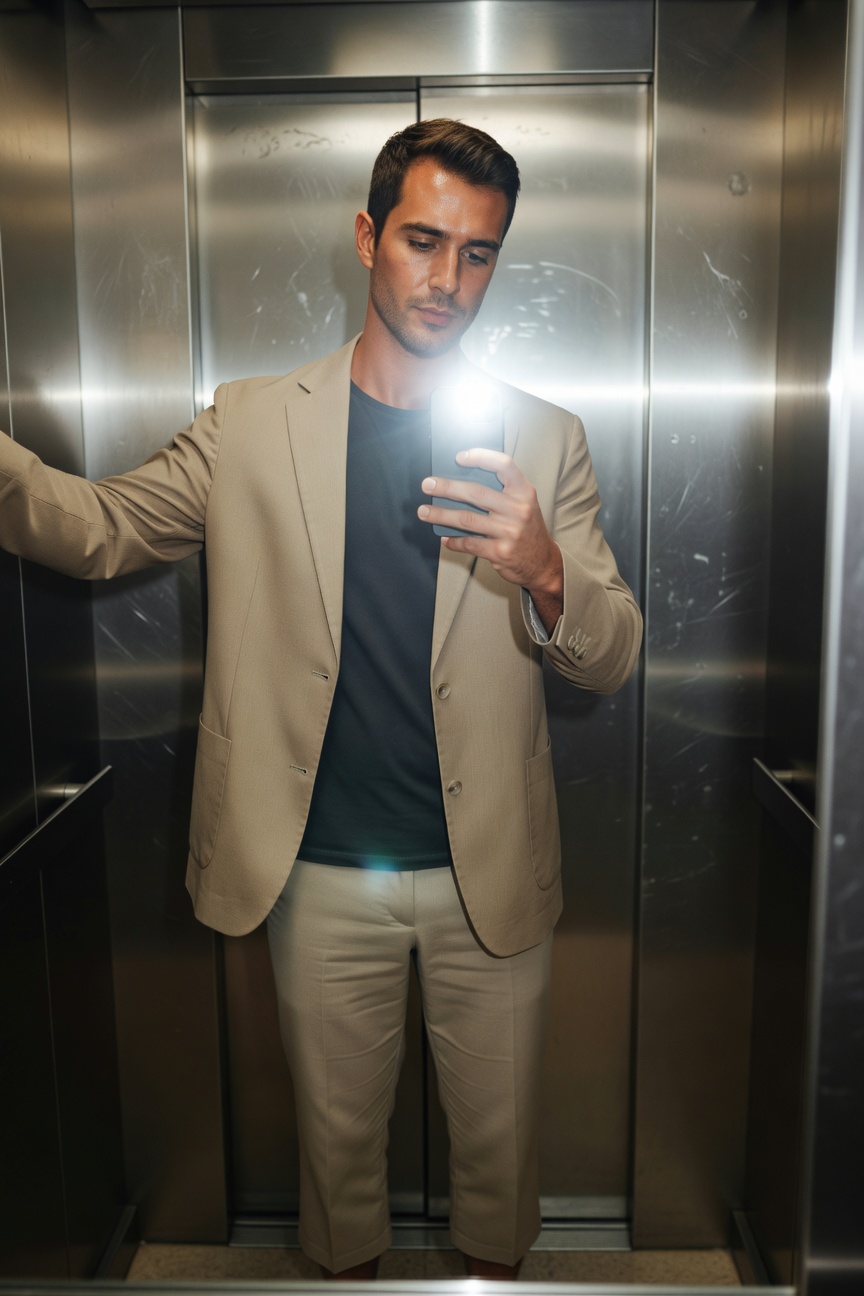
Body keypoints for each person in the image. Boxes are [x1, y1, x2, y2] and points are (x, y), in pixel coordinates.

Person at [0, 119, 641, 1280]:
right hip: (316, 867)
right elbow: (97, 532)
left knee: (502, 1166)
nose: (450, 280)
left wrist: (547, 570)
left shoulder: (546, 440)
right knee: (335, 1165)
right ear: (367, 236)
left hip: (487, 868)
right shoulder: (250, 423)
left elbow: (612, 657)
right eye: (424, 242)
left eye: (480, 253)